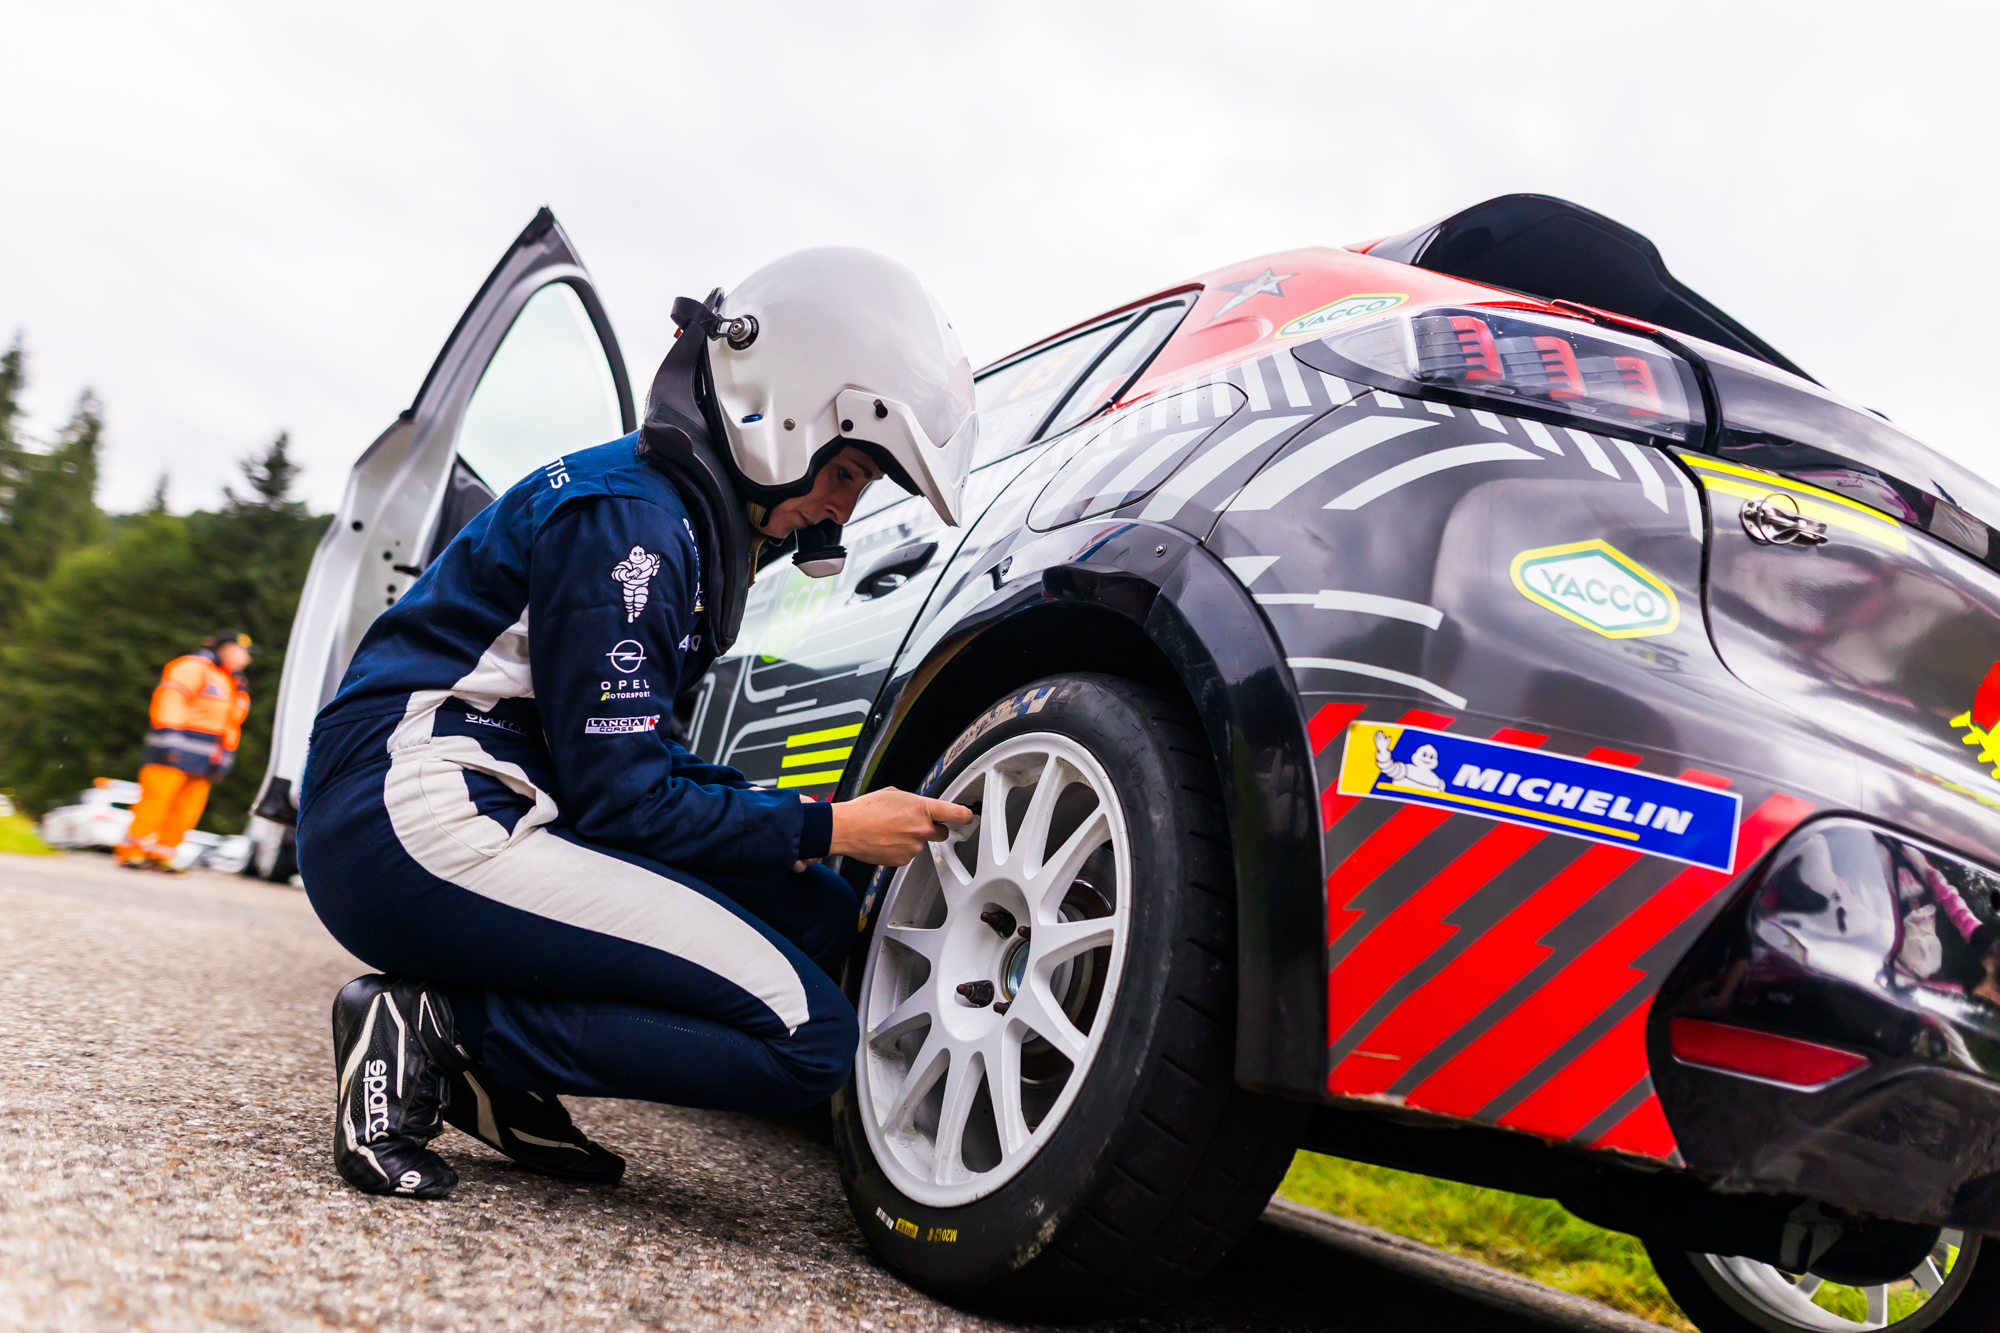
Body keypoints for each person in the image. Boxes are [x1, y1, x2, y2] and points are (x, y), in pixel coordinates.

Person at [297, 248, 981, 1198]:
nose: (840, 507)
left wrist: (789, 825)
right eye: (850, 472)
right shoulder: (635, 526)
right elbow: (625, 802)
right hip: (410, 817)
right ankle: (443, 1028)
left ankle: (499, 1069)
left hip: (477, 794)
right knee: (808, 1042)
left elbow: (636, 758)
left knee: (816, 910)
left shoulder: (674, 515)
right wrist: (828, 826)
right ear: (791, 409)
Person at [115, 631, 253, 873]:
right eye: (241, 652)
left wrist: (225, 756)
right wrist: (170, 738)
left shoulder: (235, 682)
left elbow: (231, 724)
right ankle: (133, 852)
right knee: (156, 800)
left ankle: (162, 855)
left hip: (207, 757)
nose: (246, 659)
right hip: (174, 747)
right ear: (223, 648)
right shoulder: (192, 667)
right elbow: (170, 700)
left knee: (187, 809)